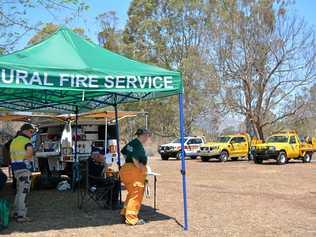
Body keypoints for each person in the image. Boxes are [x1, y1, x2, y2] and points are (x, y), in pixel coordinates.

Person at [120, 128, 151, 225]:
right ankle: (131, 219)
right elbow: (134, 158)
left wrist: (128, 163)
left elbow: (124, 152)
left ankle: (124, 214)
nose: (147, 138)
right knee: (136, 194)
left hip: (126, 169)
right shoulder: (137, 145)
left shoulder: (132, 143)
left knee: (131, 193)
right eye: (147, 135)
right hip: (133, 171)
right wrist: (141, 169)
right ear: (143, 135)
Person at [10, 124, 34, 223]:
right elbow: (29, 152)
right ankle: (21, 215)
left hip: (16, 170)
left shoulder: (14, 141)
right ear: (25, 131)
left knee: (19, 192)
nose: (31, 133)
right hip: (24, 170)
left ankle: (15, 212)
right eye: (30, 131)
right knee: (24, 193)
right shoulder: (26, 141)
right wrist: (28, 161)